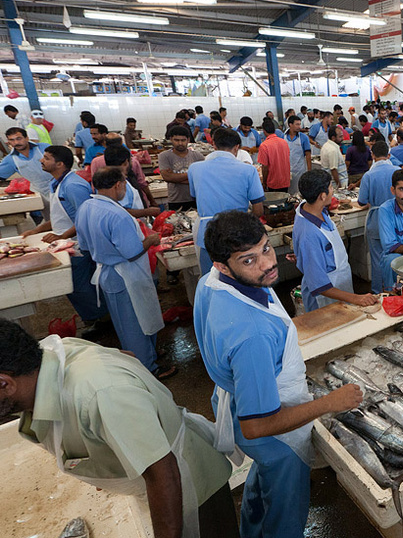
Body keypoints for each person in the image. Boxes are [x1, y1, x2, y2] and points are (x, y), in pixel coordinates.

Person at [194, 211, 363, 537]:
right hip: (277, 437)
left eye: (266, 249)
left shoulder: (210, 283)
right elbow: (257, 425)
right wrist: (329, 402)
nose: (266, 265)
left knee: (261, 491)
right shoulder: (252, 334)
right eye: (248, 260)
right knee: (285, 518)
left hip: (235, 399)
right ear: (222, 265)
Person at [1, 322, 239, 538]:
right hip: (155, 479)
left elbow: (163, 473)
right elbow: (128, 356)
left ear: (5, 383)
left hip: (191, 488)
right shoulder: (47, 359)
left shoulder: (102, 394)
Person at [74, 167, 173, 378]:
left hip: (108, 273)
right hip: (126, 274)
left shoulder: (86, 207)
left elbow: (83, 245)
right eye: (125, 185)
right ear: (118, 185)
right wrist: (151, 240)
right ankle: (147, 369)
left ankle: (149, 353)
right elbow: (132, 252)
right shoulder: (117, 214)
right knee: (133, 324)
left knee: (129, 320)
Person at [20, 145, 108, 332]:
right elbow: (60, 216)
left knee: (80, 285)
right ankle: (94, 318)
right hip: (66, 242)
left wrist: (62, 236)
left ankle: (100, 321)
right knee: (74, 285)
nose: (41, 161)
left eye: (46, 158)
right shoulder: (59, 182)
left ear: (59, 163)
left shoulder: (73, 185)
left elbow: (85, 217)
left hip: (78, 244)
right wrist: (36, 230)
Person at [290, 170, 378, 312]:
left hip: (340, 284)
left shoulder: (315, 210)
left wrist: (306, 256)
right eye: (331, 188)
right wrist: (356, 298)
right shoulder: (309, 234)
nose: (333, 191)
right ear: (322, 196)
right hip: (325, 298)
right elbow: (319, 285)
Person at [189, 128, 265, 275]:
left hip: (206, 233)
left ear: (214, 145)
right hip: (238, 233)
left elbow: (195, 197)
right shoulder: (248, 170)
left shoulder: (195, 168)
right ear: (236, 147)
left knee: (210, 278)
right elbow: (258, 210)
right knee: (242, 276)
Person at [357, 141, 400, 294]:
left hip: (376, 220)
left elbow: (361, 200)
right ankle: (396, 291)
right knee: (396, 257)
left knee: (377, 260)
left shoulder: (369, 175)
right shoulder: (397, 172)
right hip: (396, 220)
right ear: (388, 155)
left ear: (372, 155)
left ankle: (378, 293)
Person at [159, 126, 205, 211]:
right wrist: (192, 175)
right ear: (171, 139)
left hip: (195, 199)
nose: (180, 143)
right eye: (176, 140)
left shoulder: (198, 156)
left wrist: (175, 177)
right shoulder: (164, 156)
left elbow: (202, 179)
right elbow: (167, 177)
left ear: (188, 140)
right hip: (175, 200)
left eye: (183, 140)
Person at [258, 118, 291, 193]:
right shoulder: (284, 142)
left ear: (264, 131)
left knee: (274, 203)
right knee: (284, 200)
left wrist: (264, 183)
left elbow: (265, 167)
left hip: (273, 182)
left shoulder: (264, 145)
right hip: (285, 180)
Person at [283, 115, 312, 196]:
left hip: (300, 170)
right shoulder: (283, 136)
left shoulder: (304, 137)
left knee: (299, 193)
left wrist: (309, 171)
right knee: (288, 194)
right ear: (290, 125)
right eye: (297, 124)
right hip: (286, 170)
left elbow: (308, 155)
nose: (299, 127)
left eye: (300, 124)